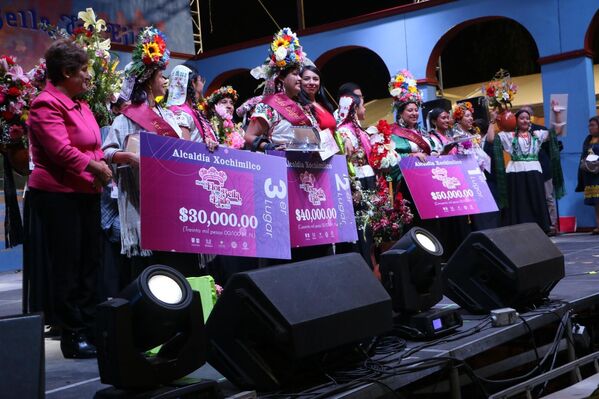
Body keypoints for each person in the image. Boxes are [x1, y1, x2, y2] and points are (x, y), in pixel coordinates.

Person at [25, 39, 112, 358]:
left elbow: (95, 143)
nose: (90, 76)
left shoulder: (82, 104)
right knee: (68, 265)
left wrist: (100, 161)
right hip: (58, 195)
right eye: (85, 69)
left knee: (91, 261)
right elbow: (60, 151)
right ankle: (72, 335)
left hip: (86, 191)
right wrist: (96, 167)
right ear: (66, 72)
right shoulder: (45, 104)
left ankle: (90, 327)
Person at [102, 27, 196, 277]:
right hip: (143, 205)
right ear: (147, 79)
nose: (165, 81)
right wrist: (131, 158)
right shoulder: (126, 120)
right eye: (161, 75)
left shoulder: (170, 116)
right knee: (150, 272)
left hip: (173, 204)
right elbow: (108, 153)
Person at [486, 107, 564, 233]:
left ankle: (540, 227)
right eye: (522, 118)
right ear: (516, 120)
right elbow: (490, 139)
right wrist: (492, 121)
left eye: (527, 118)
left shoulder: (537, 135)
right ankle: (520, 228)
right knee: (520, 201)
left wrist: (557, 114)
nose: (525, 121)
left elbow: (557, 131)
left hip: (534, 171)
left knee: (536, 200)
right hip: (516, 172)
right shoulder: (509, 135)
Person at [244, 27, 317, 152]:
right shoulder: (269, 106)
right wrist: (267, 146)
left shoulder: (304, 107)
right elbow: (249, 136)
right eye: (295, 74)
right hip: (281, 165)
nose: (300, 79)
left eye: (300, 74)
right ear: (282, 78)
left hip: (309, 165)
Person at [335, 92, 376, 266]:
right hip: (357, 181)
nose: (364, 108)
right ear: (353, 110)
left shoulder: (359, 130)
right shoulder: (344, 132)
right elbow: (347, 162)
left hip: (367, 177)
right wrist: (354, 186)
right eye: (362, 106)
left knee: (369, 224)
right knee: (360, 226)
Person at [520, 105, 565, 236]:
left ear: (531, 117)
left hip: (543, 168)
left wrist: (557, 114)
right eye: (521, 115)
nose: (524, 118)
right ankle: (534, 225)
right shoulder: (515, 132)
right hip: (525, 172)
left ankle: (552, 225)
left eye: (526, 115)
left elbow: (556, 132)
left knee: (547, 197)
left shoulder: (539, 130)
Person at [166, 64, 219, 147]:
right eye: (200, 79)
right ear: (193, 83)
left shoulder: (192, 110)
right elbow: (186, 149)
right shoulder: (180, 113)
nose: (203, 83)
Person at [576, 116, 599, 234]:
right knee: (596, 201)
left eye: (593, 125)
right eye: (589, 125)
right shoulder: (588, 140)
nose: (590, 128)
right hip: (590, 174)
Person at [299, 65, 336, 131]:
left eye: (315, 79)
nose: (311, 82)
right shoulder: (300, 106)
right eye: (306, 79)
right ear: (300, 81)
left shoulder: (324, 105)